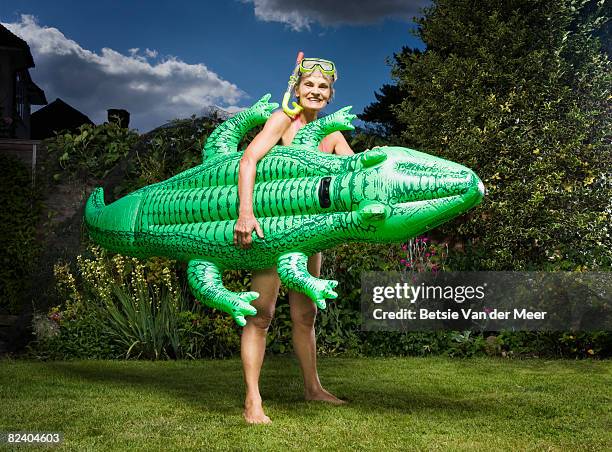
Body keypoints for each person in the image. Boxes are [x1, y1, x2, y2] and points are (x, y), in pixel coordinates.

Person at [233, 57, 354, 424]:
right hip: (272, 229)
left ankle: (313, 389)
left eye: (322, 88)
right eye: (309, 86)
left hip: (310, 234)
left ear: (330, 96)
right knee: (261, 314)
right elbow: (249, 161)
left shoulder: (331, 136)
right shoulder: (284, 121)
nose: (315, 92)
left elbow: (356, 172)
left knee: (306, 314)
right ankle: (252, 401)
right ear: (297, 89)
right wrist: (246, 212)